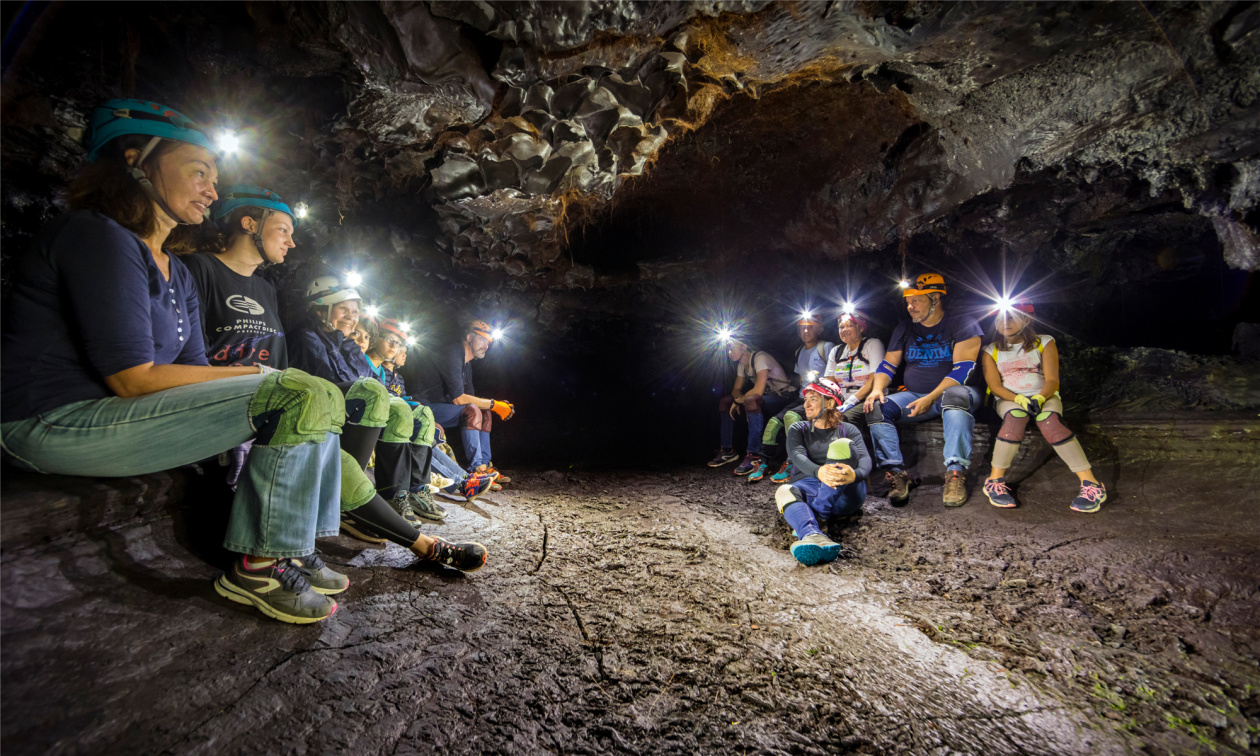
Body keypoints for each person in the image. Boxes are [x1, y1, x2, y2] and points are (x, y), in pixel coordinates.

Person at [0, 99, 350, 624]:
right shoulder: (98, 236)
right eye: (199, 172)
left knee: (315, 393)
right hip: (49, 421)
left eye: (214, 177)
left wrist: (248, 404)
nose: (212, 190)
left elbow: (195, 369)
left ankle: (293, 546)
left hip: (118, 420)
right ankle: (258, 566)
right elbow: (132, 378)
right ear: (137, 161)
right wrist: (261, 380)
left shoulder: (178, 272)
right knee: (297, 389)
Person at [288, 277, 465, 524]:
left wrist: (408, 404)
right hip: (321, 408)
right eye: (343, 309)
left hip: (354, 403)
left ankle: (402, 493)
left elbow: (374, 381)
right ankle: (347, 493)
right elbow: (326, 380)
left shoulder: (346, 345)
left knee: (419, 413)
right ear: (320, 309)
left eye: (354, 311)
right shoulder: (308, 337)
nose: (351, 317)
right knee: (376, 395)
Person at [863, 273, 983, 507]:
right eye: (908, 301)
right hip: (916, 397)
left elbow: (962, 371)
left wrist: (931, 397)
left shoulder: (961, 323)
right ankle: (897, 473)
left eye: (916, 300)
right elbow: (888, 365)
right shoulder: (905, 328)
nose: (910, 306)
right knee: (876, 408)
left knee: (955, 396)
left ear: (935, 298)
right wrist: (877, 389)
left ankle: (955, 473)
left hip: (957, 394)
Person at [980, 301, 1107, 513]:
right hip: (1010, 398)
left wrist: (1039, 398)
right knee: (1014, 421)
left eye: (1011, 317)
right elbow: (994, 386)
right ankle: (994, 481)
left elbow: (1052, 381)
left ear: (1026, 319)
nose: (1005, 322)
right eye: (1000, 318)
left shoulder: (1044, 342)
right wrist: (1019, 399)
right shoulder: (990, 350)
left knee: (1051, 424)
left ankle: (1091, 485)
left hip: (1044, 395)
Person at [365, 318, 495, 501]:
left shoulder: (395, 377)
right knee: (425, 435)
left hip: (399, 417)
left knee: (431, 439)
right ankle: (466, 477)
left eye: (401, 346)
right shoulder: (369, 367)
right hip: (383, 421)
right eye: (395, 345)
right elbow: (459, 398)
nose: (402, 351)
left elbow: (399, 398)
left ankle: (468, 480)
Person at [402, 320, 515, 483]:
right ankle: (476, 469)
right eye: (482, 339)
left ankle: (485, 465)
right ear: (469, 337)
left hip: (440, 407)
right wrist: (495, 404)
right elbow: (459, 399)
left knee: (483, 411)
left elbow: (471, 399)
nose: (486, 345)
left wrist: (493, 405)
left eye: (488, 342)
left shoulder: (466, 364)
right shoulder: (452, 353)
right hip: (422, 407)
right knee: (472, 410)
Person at [773, 379, 870, 566]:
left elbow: (865, 459)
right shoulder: (798, 429)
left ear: (830, 402)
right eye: (805, 399)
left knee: (842, 446)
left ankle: (818, 515)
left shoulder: (847, 430)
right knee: (783, 491)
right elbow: (797, 455)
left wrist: (855, 475)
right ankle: (813, 535)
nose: (806, 404)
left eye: (813, 399)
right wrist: (819, 471)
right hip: (808, 487)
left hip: (844, 493)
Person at [751, 312, 836, 482]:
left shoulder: (827, 347)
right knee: (774, 422)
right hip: (802, 397)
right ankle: (763, 462)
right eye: (802, 328)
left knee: (792, 417)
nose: (805, 331)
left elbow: (833, 377)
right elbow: (800, 379)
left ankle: (794, 463)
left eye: (810, 327)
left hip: (820, 397)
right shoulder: (799, 351)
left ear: (819, 329)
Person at [707, 338, 796, 475]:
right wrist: (736, 399)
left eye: (732, 348)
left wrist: (739, 401)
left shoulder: (759, 358)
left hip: (783, 395)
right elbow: (736, 389)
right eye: (728, 349)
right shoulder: (742, 365)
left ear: (744, 346)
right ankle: (727, 451)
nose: (730, 352)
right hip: (767, 397)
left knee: (750, 401)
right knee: (725, 402)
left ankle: (754, 455)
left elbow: (759, 390)